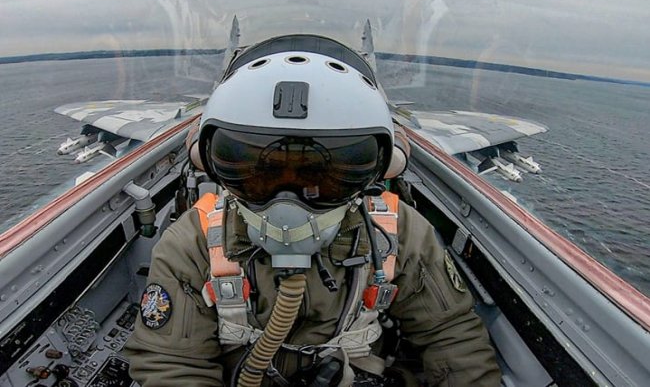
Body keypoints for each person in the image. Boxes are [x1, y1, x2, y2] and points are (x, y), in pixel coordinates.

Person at [122, 34, 501, 386]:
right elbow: (173, 365)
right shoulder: (195, 242)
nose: (289, 203)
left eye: (318, 175)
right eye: (264, 174)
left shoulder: (398, 232)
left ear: (371, 175)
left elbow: (450, 337)